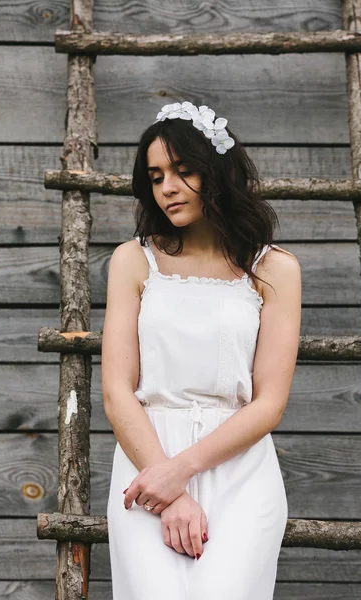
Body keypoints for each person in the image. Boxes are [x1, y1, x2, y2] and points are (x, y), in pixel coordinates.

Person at [102, 101, 301, 600]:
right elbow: (116, 391)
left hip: (239, 468)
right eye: (155, 176)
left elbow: (269, 402)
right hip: (145, 461)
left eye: (182, 171)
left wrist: (183, 470)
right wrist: (166, 489)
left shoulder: (275, 269)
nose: (166, 187)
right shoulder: (133, 260)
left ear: (217, 171)